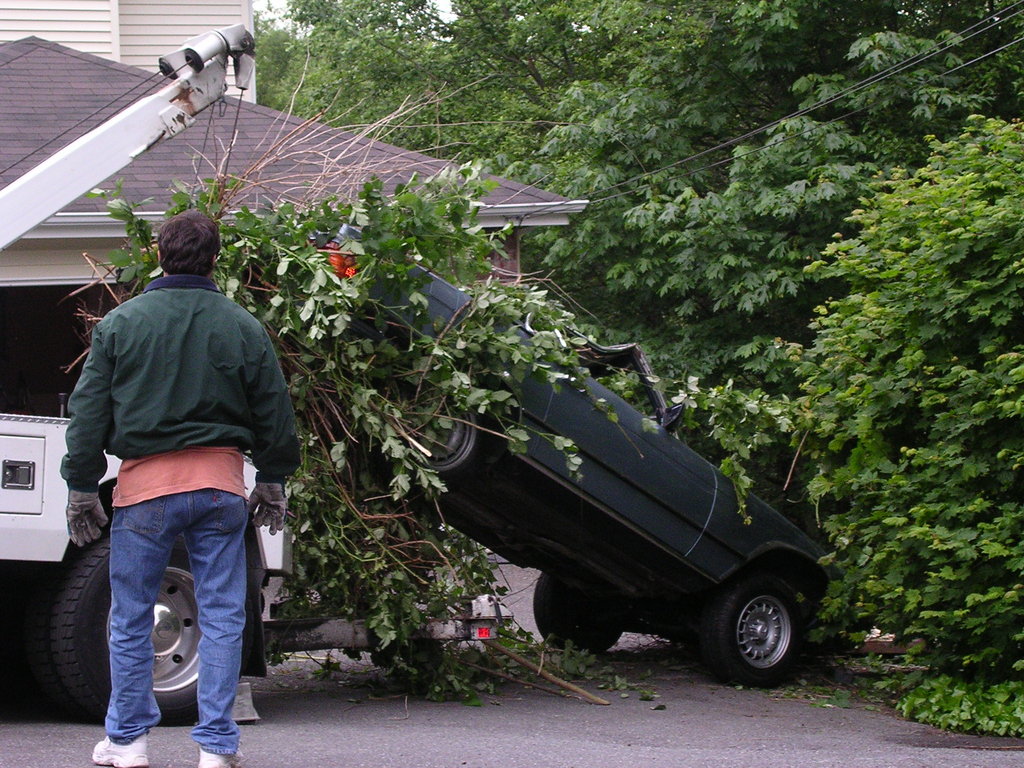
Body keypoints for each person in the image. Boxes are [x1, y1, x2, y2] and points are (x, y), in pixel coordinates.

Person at [61, 209, 301, 768]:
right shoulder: (242, 325)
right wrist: (272, 478)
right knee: (222, 617)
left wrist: (80, 485)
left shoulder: (121, 324)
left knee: (129, 617)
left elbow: (88, 413)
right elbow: (275, 412)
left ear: (157, 255)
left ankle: (128, 742)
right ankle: (216, 746)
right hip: (219, 489)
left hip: (145, 492)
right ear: (215, 259)